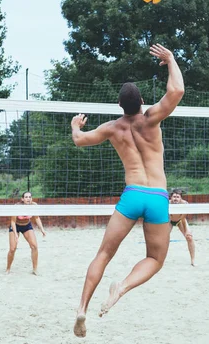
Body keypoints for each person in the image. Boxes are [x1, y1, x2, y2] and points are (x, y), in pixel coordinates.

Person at [71, 43, 184, 338]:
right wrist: (170, 59)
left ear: (120, 107)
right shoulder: (151, 118)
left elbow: (80, 140)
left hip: (132, 195)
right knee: (156, 259)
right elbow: (176, 92)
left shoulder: (112, 128)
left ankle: (82, 307)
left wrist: (74, 125)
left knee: (104, 253)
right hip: (157, 197)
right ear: (142, 101)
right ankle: (121, 287)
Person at [5, 191, 46, 275]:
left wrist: (42, 229)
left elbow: (37, 218)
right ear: (22, 199)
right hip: (15, 226)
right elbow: (12, 222)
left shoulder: (34, 206)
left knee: (34, 246)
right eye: (26, 197)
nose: (28, 198)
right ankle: (8, 268)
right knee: (12, 249)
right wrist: (16, 234)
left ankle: (35, 269)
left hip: (27, 225)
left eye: (30, 197)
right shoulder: (17, 207)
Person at [169, 189, 196, 266]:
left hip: (181, 220)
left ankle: (193, 260)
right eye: (174, 197)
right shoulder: (167, 203)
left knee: (189, 237)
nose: (175, 199)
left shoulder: (185, 204)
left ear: (181, 198)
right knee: (163, 239)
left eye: (177, 197)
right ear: (171, 197)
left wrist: (187, 230)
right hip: (169, 221)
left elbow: (183, 218)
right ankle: (160, 260)